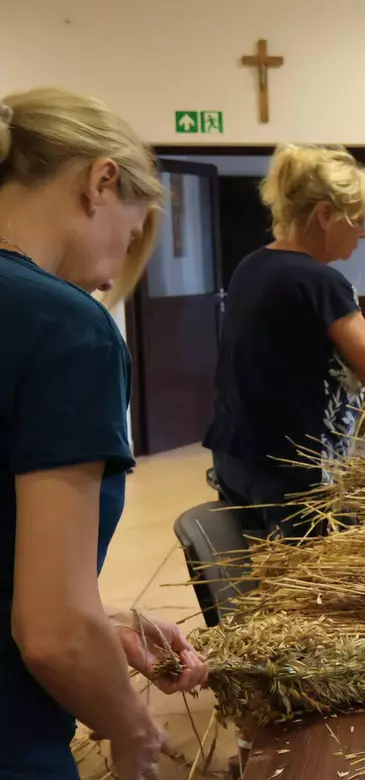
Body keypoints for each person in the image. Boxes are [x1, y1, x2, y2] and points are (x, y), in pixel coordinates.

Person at [0, 88, 208, 780]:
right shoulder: (65, 327)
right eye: (131, 233)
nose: (120, 268)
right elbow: (53, 635)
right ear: (101, 181)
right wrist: (131, 728)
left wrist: (103, 617)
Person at [205, 145, 365, 539]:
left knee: (264, 568)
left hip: (239, 455)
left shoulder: (254, 266)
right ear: (326, 215)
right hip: (294, 468)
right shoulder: (321, 281)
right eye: (359, 220)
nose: (364, 233)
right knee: (308, 585)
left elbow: (286, 351)